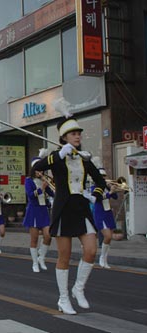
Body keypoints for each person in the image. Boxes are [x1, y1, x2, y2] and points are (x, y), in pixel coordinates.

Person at [33, 116, 106, 315]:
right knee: (64, 255)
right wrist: (58, 156)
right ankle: (63, 298)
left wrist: (94, 196)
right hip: (63, 208)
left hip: (81, 208)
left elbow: (101, 182)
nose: (78, 136)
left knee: (91, 250)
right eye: (74, 133)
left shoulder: (84, 158)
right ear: (64, 137)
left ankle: (78, 288)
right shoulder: (57, 156)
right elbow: (35, 169)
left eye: (79, 133)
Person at [23, 155, 54, 273]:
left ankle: (41, 257)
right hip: (33, 211)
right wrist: (42, 188)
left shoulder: (44, 181)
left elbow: (52, 193)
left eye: (41, 170)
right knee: (34, 238)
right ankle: (35, 263)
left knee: (48, 235)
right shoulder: (28, 181)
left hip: (43, 211)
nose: (40, 172)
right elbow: (30, 195)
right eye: (37, 170)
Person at [92, 168, 118, 269]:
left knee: (109, 237)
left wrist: (112, 188)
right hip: (100, 213)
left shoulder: (106, 187)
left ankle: (105, 258)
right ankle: (102, 257)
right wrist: (109, 192)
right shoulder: (94, 187)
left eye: (104, 176)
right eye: (101, 177)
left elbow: (115, 197)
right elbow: (98, 198)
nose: (103, 178)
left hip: (108, 213)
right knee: (107, 236)